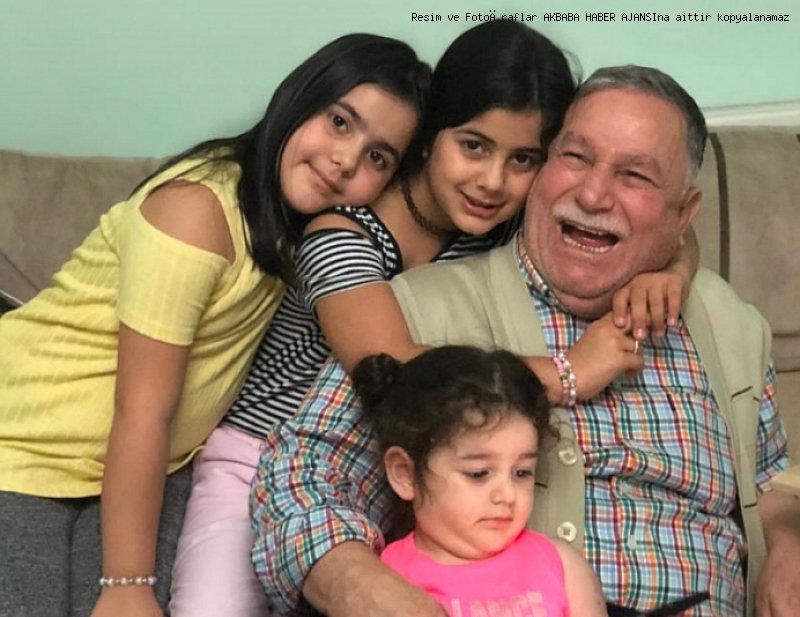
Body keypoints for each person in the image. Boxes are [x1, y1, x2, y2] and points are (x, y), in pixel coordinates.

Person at [173, 22, 697, 617]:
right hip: (256, 459)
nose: (492, 181)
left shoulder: (491, 225)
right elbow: (395, 365)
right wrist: (572, 371)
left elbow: (668, 224)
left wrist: (673, 272)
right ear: (428, 136)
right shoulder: (339, 238)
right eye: (473, 146)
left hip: (392, 480)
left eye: (523, 159)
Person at [251, 65, 800, 617]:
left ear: (684, 215)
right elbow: (301, 479)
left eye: (635, 175)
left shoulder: (730, 323)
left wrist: (787, 545)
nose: (592, 194)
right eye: (575, 157)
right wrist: (376, 596)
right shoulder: (420, 310)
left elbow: (768, 476)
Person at [0, 33, 429, 617]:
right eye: (338, 121)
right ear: (298, 99)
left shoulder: (302, 224)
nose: (346, 160)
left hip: (150, 465)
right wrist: (127, 584)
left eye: (378, 156)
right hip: (26, 445)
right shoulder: (195, 211)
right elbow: (142, 411)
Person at [352, 346, 607, 617]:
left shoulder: (560, 564)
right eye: (479, 473)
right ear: (405, 474)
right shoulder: (386, 583)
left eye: (522, 472)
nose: (507, 495)